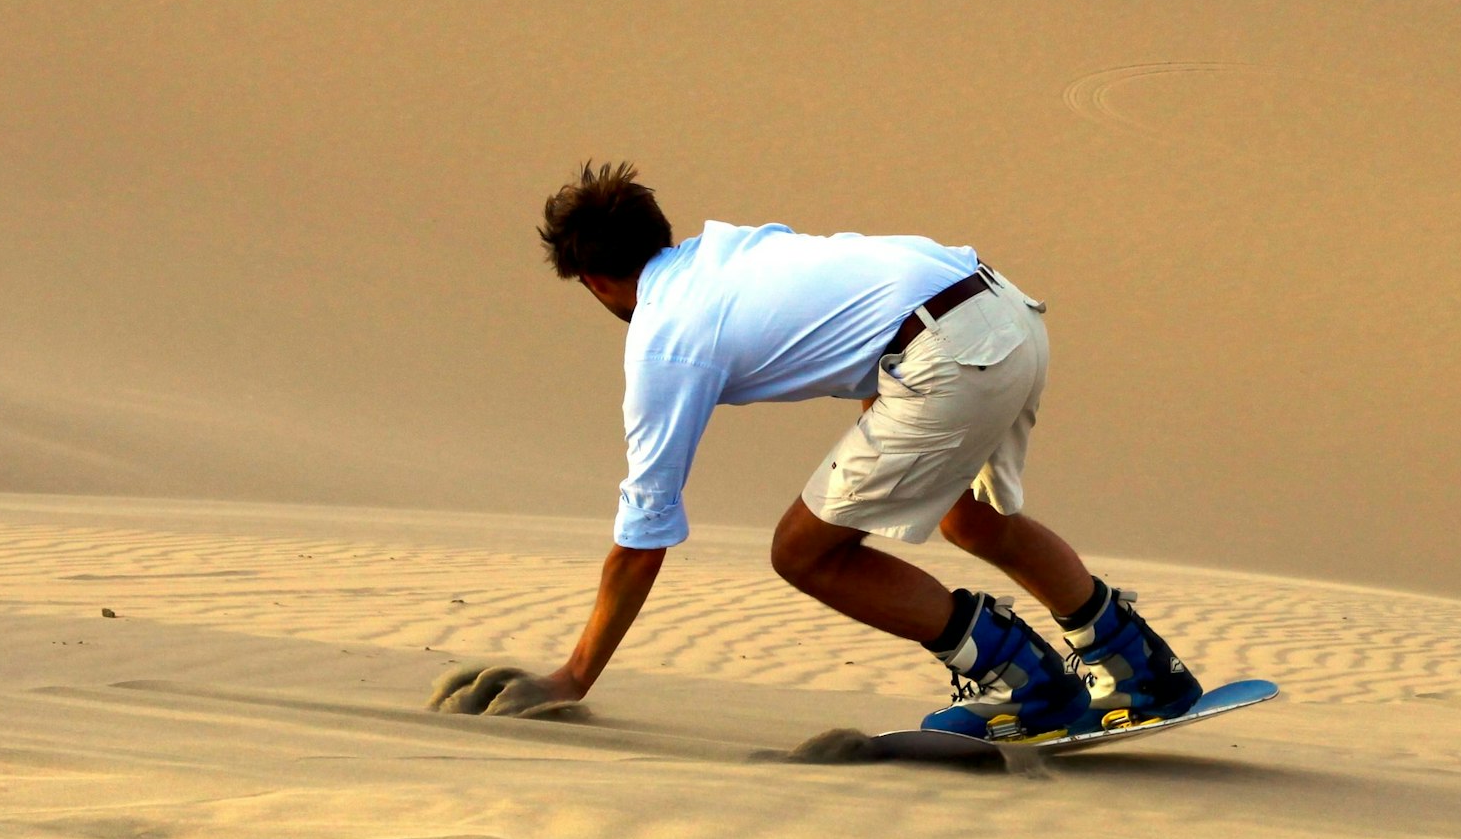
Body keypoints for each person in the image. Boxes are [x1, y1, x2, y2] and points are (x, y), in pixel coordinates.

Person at [497, 161, 1202, 742]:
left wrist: (574, 675)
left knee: (803, 552)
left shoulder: (663, 338)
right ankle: (1135, 665)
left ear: (591, 281)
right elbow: (857, 311)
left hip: (946, 353)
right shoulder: (729, 249)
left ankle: (1023, 682)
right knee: (970, 518)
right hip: (1003, 311)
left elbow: (644, 531)